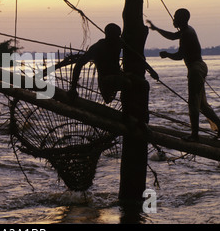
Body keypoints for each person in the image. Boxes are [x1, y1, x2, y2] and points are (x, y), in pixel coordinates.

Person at [147, 8, 220, 141]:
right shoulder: (187, 30)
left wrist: (167, 54)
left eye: (175, 17)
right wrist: (156, 29)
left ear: (181, 19)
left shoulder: (186, 34)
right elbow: (172, 36)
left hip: (195, 70)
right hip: (200, 67)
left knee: (193, 104)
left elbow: (180, 56)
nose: (173, 20)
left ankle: (194, 135)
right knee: (202, 105)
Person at [69, 23, 131, 104]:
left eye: (119, 36)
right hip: (105, 80)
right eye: (116, 35)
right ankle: (126, 115)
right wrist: (73, 88)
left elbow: (127, 44)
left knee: (143, 84)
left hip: (117, 76)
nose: (118, 38)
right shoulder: (98, 47)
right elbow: (79, 64)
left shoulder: (118, 43)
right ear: (108, 35)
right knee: (127, 83)